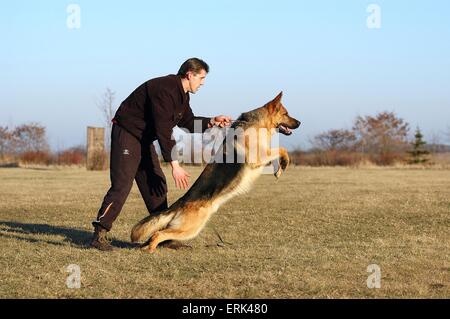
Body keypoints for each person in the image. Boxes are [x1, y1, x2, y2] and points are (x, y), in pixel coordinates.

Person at [90, 58, 232, 251]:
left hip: (143, 139)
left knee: (156, 185)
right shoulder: (164, 89)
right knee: (122, 185)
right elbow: (163, 130)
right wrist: (175, 165)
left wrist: (212, 121)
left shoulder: (182, 95)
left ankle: (164, 236)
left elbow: (188, 122)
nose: (203, 83)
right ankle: (99, 235)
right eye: (201, 78)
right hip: (127, 133)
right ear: (190, 74)